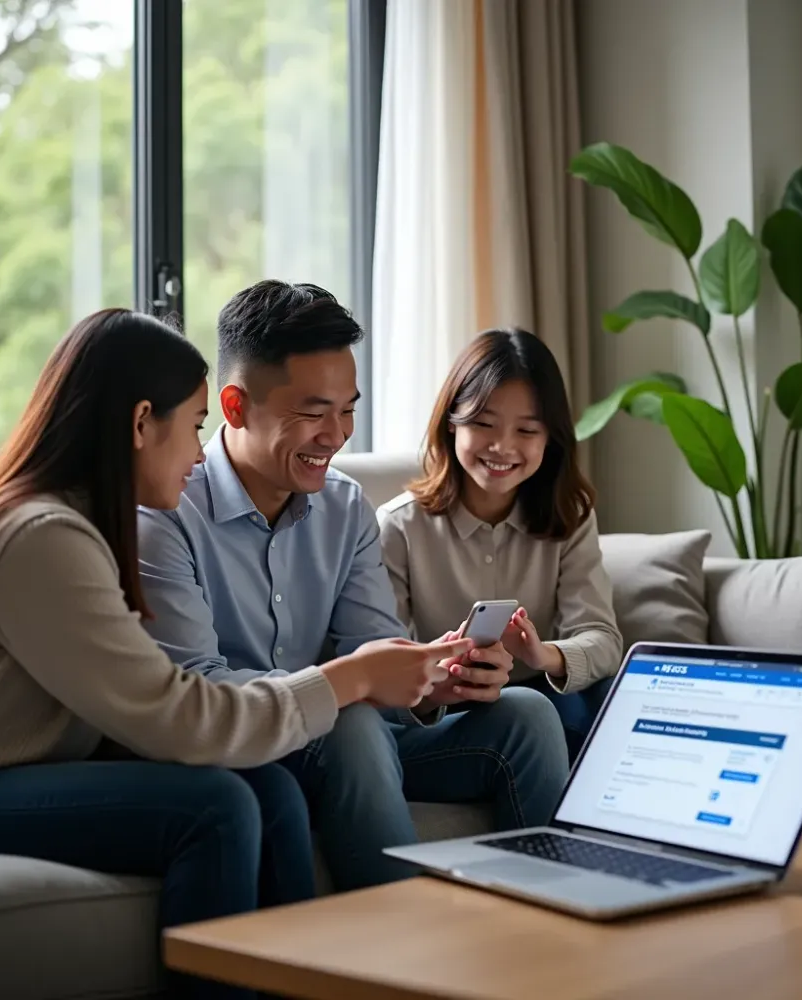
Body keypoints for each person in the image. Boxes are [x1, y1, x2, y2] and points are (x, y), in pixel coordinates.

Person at [0, 308, 468, 1000]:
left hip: (29, 767)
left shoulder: (79, 521)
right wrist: (348, 679)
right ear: (142, 422)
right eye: (196, 426)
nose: (200, 453)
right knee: (214, 807)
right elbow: (179, 714)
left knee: (264, 788)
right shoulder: (39, 537)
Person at [137, 281, 569, 891]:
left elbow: (376, 655)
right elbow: (198, 690)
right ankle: (391, 947)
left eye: (349, 410)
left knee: (527, 712)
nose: (337, 434)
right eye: (314, 412)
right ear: (234, 408)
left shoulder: (345, 507)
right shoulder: (164, 509)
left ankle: (558, 926)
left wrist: (434, 677)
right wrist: (347, 685)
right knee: (351, 721)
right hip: (252, 746)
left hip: (354, 745)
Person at [378, 328, 624, 763]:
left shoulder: (570, 517)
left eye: (527, 430)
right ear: (450, 423)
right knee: (537, 713)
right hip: (445, 708)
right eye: (483, 424)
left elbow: (602, 638)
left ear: (551, 439)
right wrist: (443, 672)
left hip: (545, 693)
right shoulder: (400, 526)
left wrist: (542, 654)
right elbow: (381, 660)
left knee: (594, 698)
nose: (502, 446)